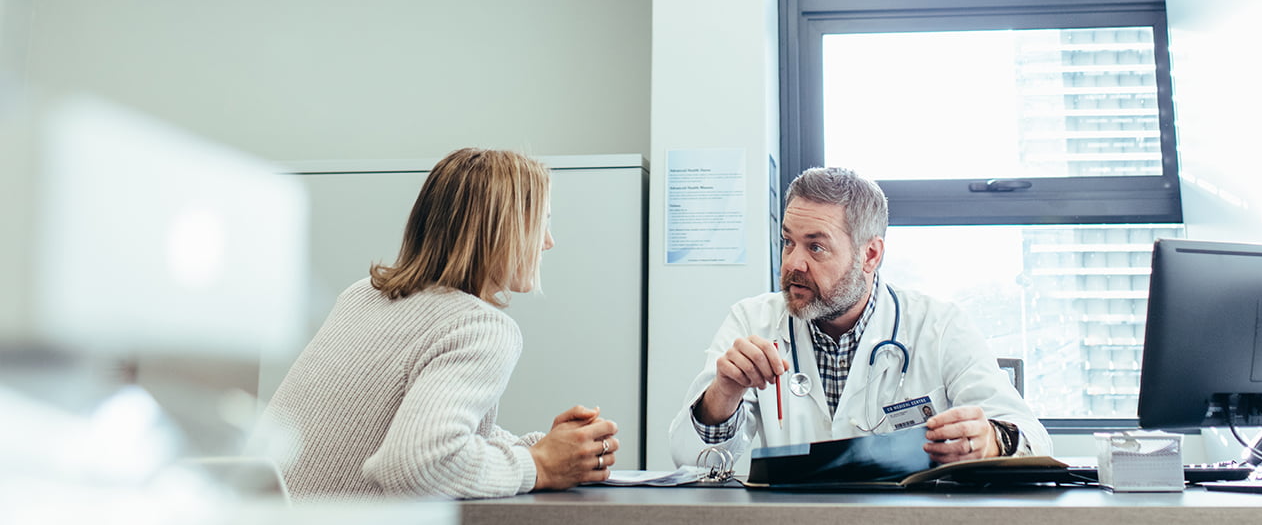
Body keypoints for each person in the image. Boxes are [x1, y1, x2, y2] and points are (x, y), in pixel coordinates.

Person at [251, 148, 620, 500]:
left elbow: (411, 432)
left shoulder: (363, 295)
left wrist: (537, 449)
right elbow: (416, 465)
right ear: (500, 229)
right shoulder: (479, 326)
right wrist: (539, 465)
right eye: (543, 223)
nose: (548, 242)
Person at [670, 166, 1049, 468]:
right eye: (788, 241)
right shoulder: (752, 322)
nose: (792, 263)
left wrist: (991, 440)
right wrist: (725, 392)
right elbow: (690, 459)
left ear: (870, 255)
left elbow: (1033, 437)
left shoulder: (940, 326)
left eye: (815, 246)